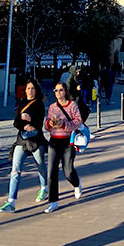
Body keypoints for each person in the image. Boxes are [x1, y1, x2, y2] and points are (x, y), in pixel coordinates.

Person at [0, 79, 49, 212]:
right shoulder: (21, 103)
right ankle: (11, 202)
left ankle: (44, 188)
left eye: (33, 88)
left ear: (36, 90)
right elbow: (16, 122)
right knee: (15, 170)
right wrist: (24, 124)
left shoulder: (39, 104)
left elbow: (39, 123)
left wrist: (30, 120)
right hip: (22, 140)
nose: (30, 91)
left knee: (40, 165)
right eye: (28, 88)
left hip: (36, 140)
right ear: (25, 90)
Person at [43, 82, 83, 213]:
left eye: (60, 90)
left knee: (68, 171)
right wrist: (50, 123)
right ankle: (53, 201)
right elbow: (46, 124)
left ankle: (76, 184)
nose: (58, 93)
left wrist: (64, 124)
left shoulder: (72, 106)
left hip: (68, 142)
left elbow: (78, 121)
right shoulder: (52, 107)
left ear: (65, 91)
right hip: (54, 141)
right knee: (51, 172)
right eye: (56, 90)